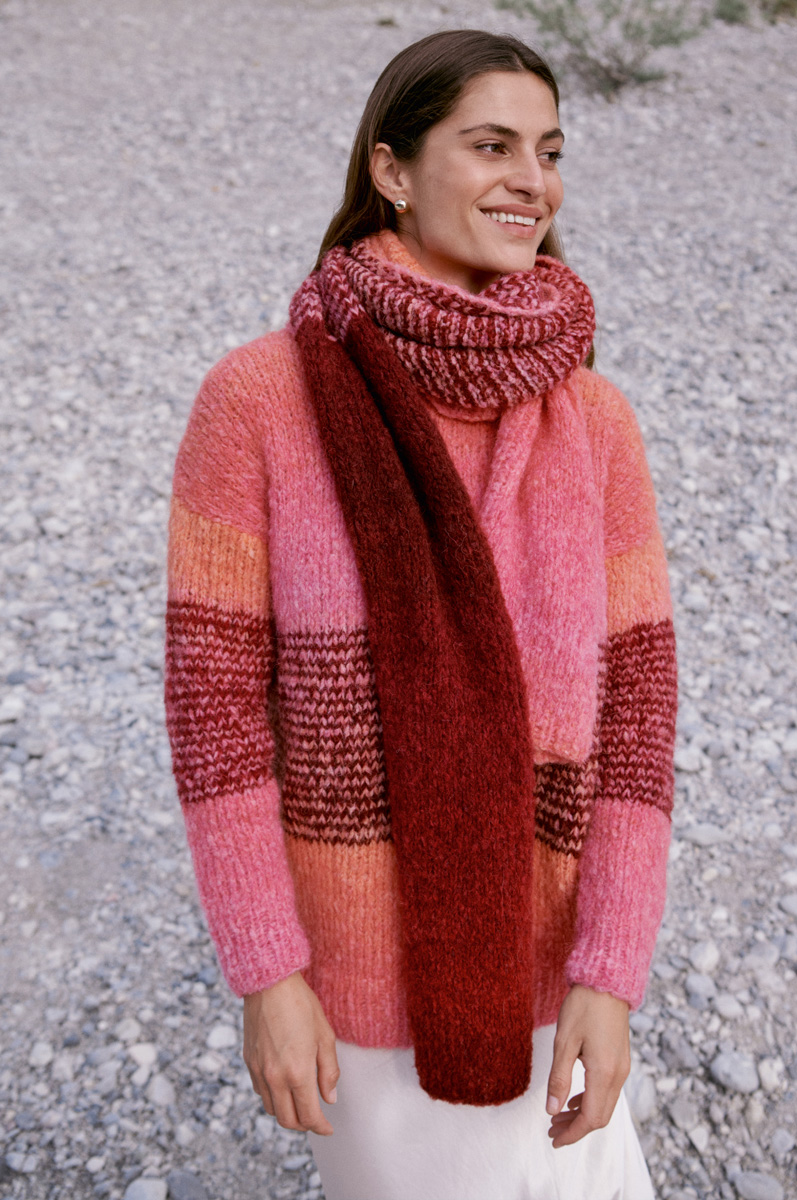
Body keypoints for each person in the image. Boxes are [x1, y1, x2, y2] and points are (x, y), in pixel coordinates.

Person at [164, 28, 677, 1200]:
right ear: (391, 170)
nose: (531, 181)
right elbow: (214, 716)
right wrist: (267, 975)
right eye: (490, 146)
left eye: (547, 152)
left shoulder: (592, 417)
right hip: (358, 989)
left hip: (547, 971)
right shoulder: (259, 401)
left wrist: (609, 973)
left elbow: (638, 716)